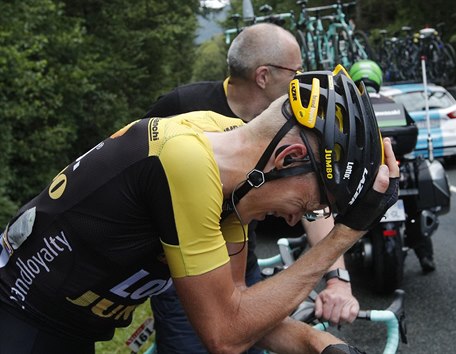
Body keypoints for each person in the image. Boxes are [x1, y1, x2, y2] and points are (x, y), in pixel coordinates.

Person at [0, 67, 399, 354]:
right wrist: (346, 232)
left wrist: (320, 344)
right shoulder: (189, 163)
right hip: (21, 318)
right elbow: (225, 336)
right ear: (288, 157)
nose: (294, 219)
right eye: (307, 205)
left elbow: (239, 306)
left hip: (65, 326)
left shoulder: (225, 152)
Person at [145, 23, 360, 354]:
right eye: (296, 70)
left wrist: (337, 278)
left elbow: (309, 199)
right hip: (184, 275)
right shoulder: (181, 106)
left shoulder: (295, 121)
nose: (302, 79)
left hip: (241, 263)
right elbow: (135, 176)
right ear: (264, 76)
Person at [349, 59, 436, 274]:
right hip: (396, 163)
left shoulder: (352, 104)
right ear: (377, 78)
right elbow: (411, 128)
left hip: (367, 167)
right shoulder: (391, 102)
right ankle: (425, 255)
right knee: (416, 207)